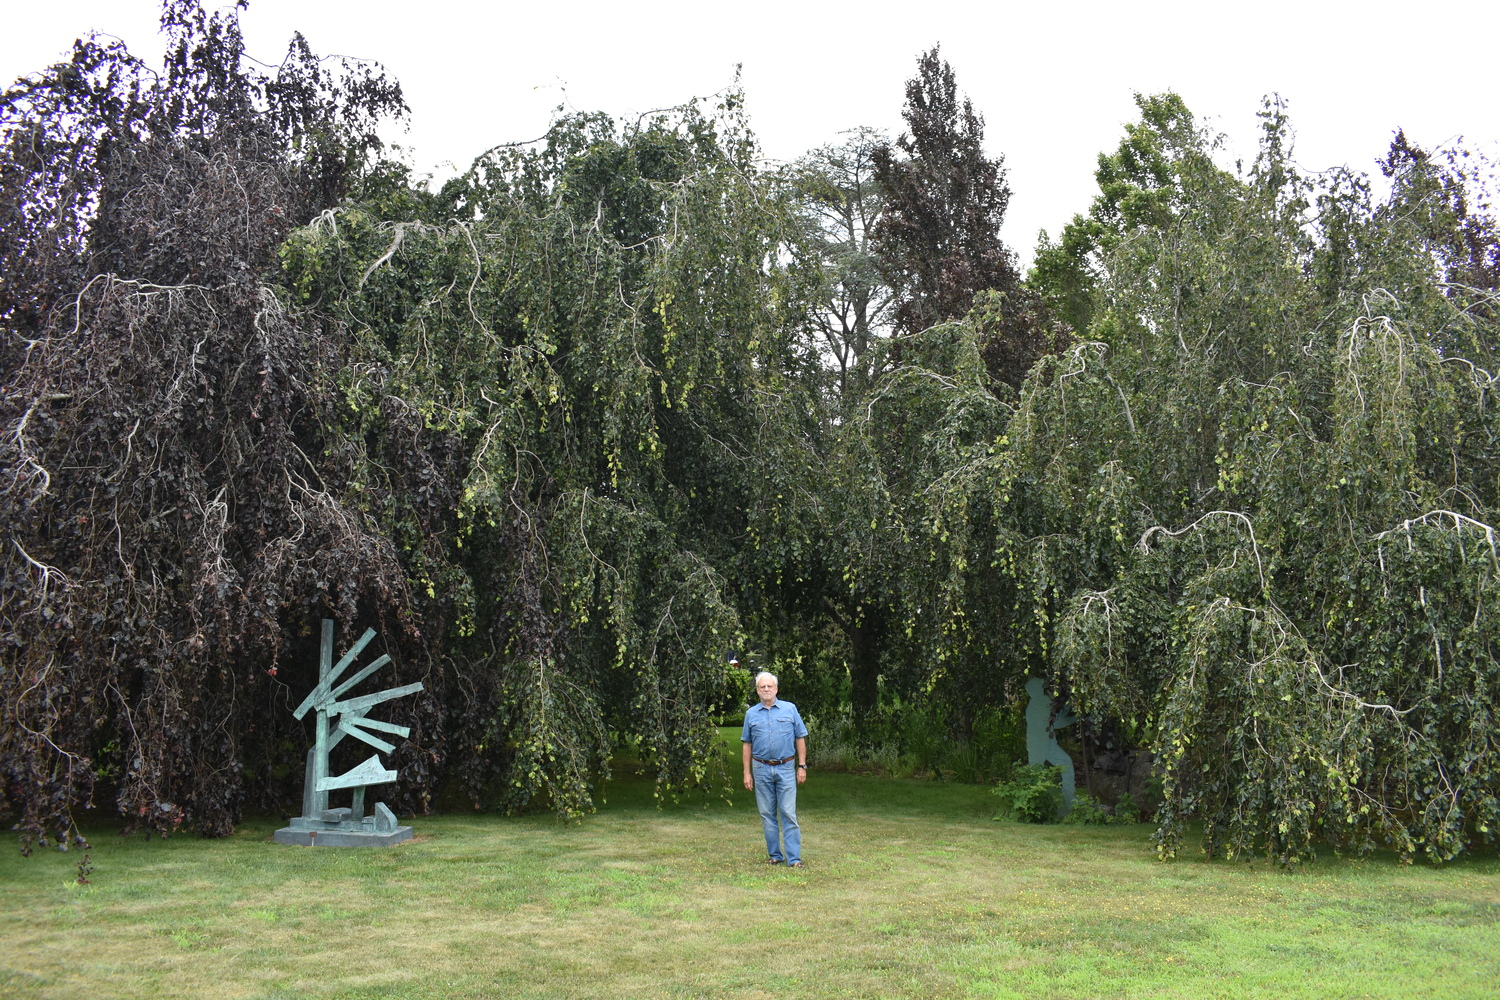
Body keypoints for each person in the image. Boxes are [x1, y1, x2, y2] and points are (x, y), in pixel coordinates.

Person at [740, 670, 808, 867]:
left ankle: (794, 859)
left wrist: (802, 766)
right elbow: (747, 744)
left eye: (770, 686)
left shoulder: (790, 709)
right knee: (767, 814)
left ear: (776, 689)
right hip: (761, 769)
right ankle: (775, 855)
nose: (766, 689)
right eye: (762, 687)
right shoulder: (751, 714)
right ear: (757, 691)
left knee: (788, 812)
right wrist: (747, 773)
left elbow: (800, 737)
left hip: (786, 767)